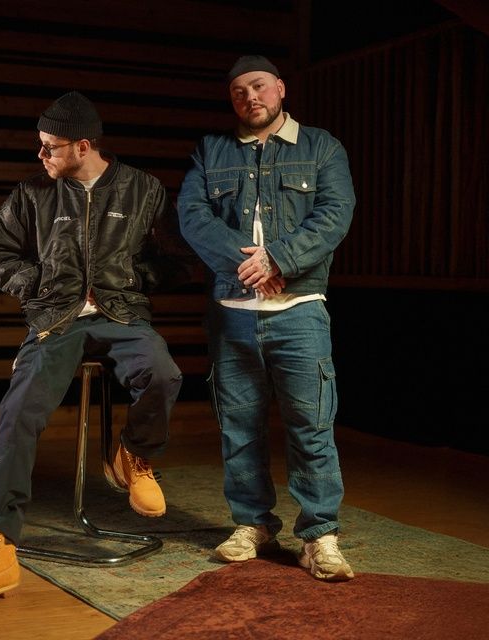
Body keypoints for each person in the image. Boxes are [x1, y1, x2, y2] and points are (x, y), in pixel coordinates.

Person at [0, 91, 188, 609]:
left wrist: (131, 280)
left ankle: (134, 454)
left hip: (121, 315)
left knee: (163, 373)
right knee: (17, 413)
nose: (41, 155)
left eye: (50, 147)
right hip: (56, 320)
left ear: (82, 145)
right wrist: (38, 285)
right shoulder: (31, 193)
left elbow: (175, 256)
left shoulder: (143, 189)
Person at [177, 55, 356, 581]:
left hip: (299, 310)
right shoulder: (210, 150)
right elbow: (193, 217)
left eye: (258, 86)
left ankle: (319, 536)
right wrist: (251, 267)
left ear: (279, 88)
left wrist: (278, 259)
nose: (249, 97)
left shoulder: (322, 147)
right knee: (239, 427)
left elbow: (334, 214)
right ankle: (252, 524)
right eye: (238, 91)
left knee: (311, 426)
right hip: (233, 315)